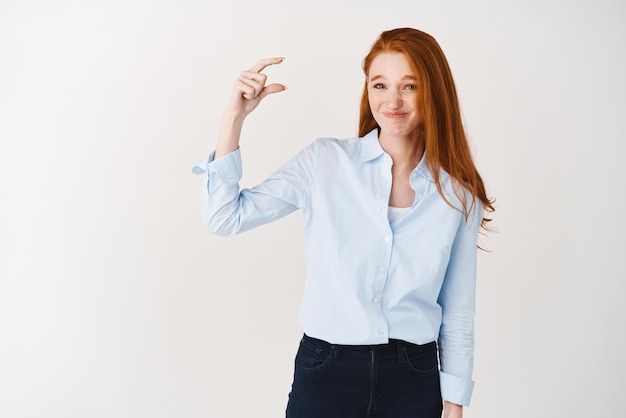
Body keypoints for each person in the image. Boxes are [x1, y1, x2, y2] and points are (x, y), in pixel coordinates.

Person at [193, 27, 494, 418]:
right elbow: (224, 217)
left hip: (413, 380)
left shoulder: (457, 196)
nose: (393, 101)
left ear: (433, 91)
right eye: (380, 85)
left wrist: (454, 405)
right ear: (367, 90)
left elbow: (457, 312)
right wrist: (234, 117)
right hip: (325, 374)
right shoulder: (324, 162)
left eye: (410, 86)